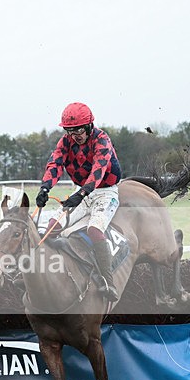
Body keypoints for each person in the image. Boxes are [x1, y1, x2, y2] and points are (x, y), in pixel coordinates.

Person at [35, 102, 122, 301]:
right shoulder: (65, 142)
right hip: (82, 191)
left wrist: (82, 193)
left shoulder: (102, 139)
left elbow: (98, 171)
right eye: (70, 131)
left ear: (90, 125)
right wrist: (45, 188)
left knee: (94, 230)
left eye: (79, 130)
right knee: (51, 227)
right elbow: (55, 164)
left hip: (105, 192)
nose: (75, 136)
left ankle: (108, 281)